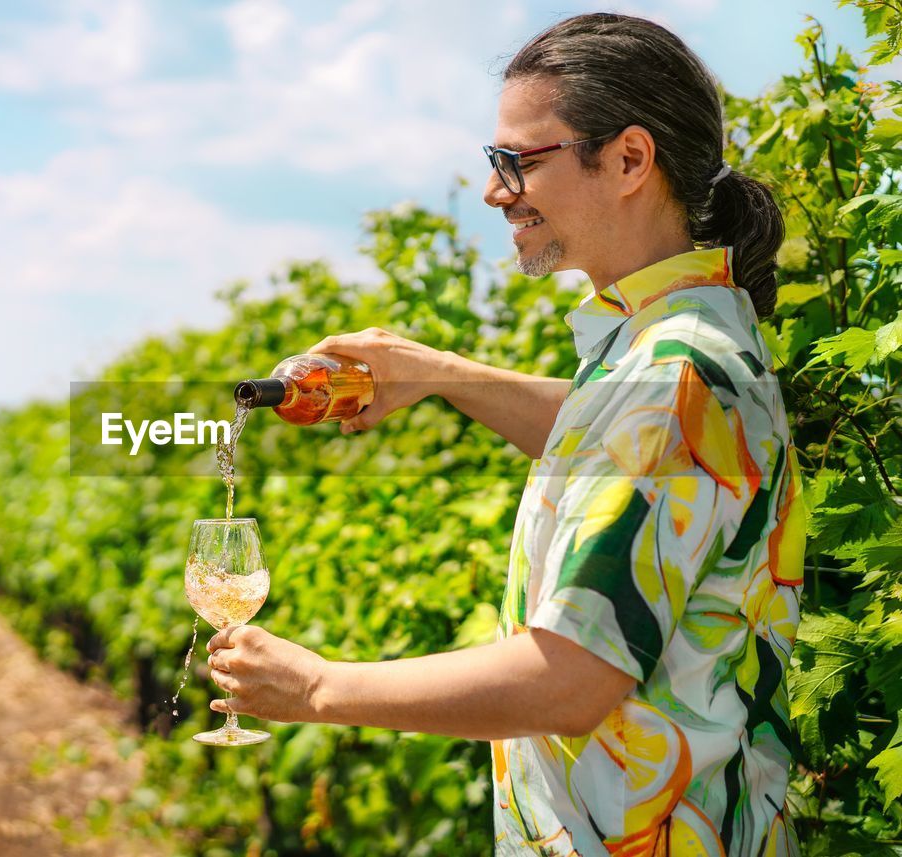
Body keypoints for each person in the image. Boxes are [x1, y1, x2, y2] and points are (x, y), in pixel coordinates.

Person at [204, 12, 806, 856]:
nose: (496, 190)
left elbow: (568, 679)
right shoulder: (669, 348)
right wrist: (439, 372)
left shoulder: (676, 374)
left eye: (517, 161)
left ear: (630, 159)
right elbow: (610, 443)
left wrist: (317, 686)